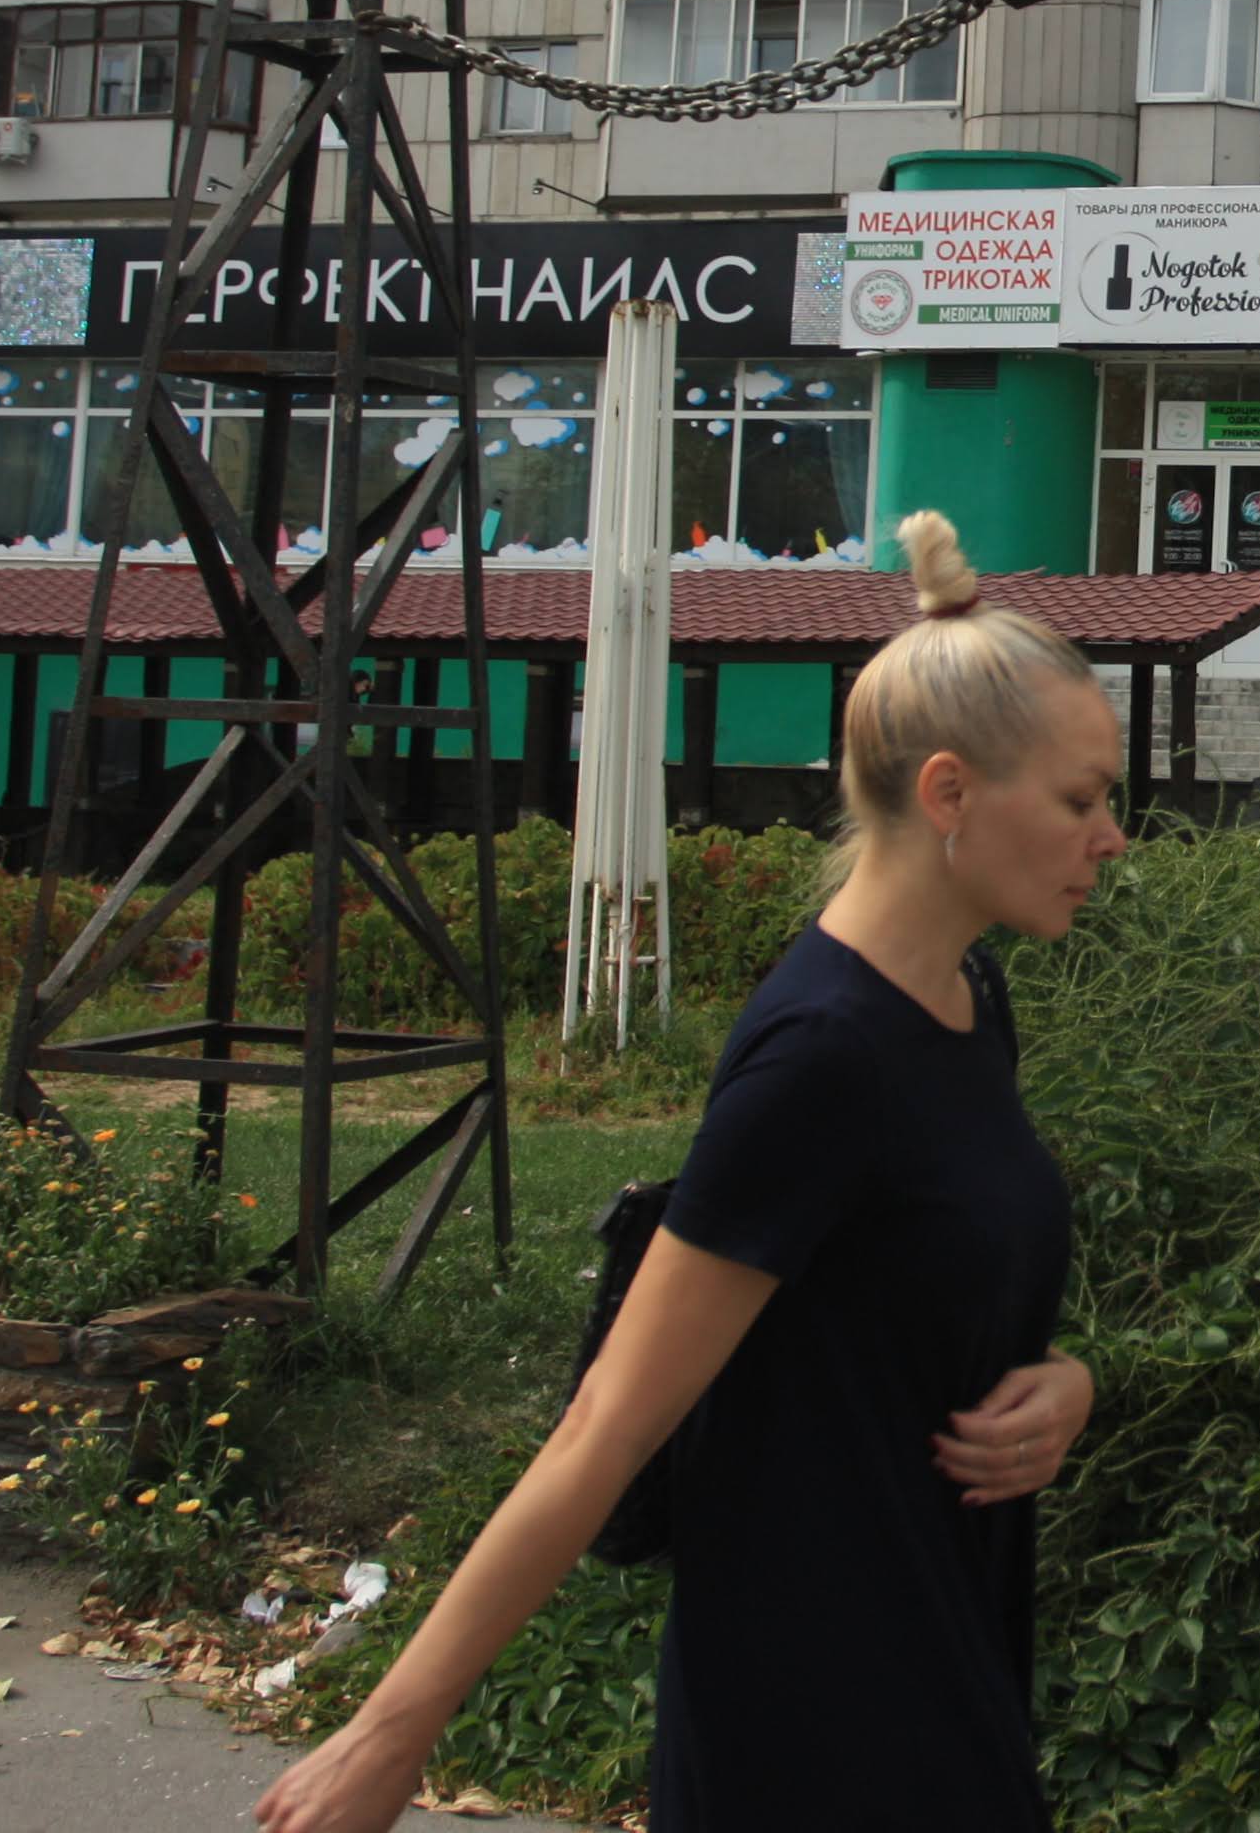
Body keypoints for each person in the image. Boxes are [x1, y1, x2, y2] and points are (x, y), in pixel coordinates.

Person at [255, 511, 1120, 1833]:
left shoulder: (966, 1001)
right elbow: (609, 1422)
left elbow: (915, 1298)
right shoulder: (821, 1058)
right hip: (814, 1716)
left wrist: (1064, 1383)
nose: (1110, 837)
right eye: (1079, 799)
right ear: (948, 794)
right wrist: (388, 1739)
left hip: (948, 1655)